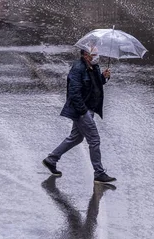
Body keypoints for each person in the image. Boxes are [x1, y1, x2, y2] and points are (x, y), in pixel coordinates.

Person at [42, 48, 117, 185]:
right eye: (94, 54)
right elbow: (74, 92)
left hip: (89, 108)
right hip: (82, 111)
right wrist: (83, 112)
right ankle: (99, 173)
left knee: (76, 138)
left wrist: (103, 77)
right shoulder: (78, 68)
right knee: (94, 139)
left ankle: (51, 159)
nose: (97, 56)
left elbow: (94, 85)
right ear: (86, 55)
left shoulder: (93, 66)